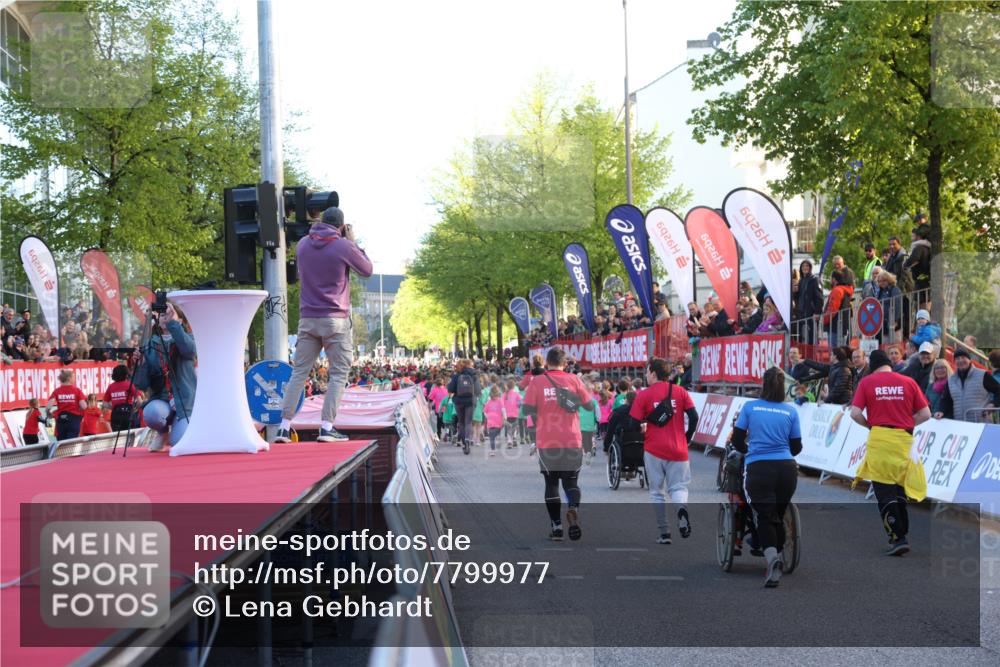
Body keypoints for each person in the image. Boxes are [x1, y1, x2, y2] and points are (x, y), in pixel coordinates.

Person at [274, 207, 374, 443]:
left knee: (299, 372)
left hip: (308, 318)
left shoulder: (302, 245)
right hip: (335, 320)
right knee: (338, 373)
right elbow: (367, 270)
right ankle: (327, 427)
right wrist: (353, 241)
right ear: (341, 226)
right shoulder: (343, 246)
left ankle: (283, 427)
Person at [850, 349, 931, 555]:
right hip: (904, 440)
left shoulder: (867, 382)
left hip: (880, 439)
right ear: (889, 363)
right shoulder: (908, 382)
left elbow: (855, 413)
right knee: (899, 488)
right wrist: (905, 424)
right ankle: (903, 531)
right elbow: (926, 414)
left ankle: (897, 537)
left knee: (884, 492)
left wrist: (870, 425)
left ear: (872, 365)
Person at [730, 367, 802, 587]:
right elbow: (796, 447)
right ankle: (778, 554)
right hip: (787, 469)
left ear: (763, 384)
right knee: (777, 514)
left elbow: (737, 440)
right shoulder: (790, 411)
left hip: (759, 467)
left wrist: (751, 449)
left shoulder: (750, 407)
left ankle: (772, 559)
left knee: (765, 515)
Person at [522, 347, 594, 542]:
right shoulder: (575, 380)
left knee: (551, 483)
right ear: (565, 363)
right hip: (572, 439)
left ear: (547, 363)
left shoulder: (537, 381)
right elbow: (590, 406)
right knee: (571, 482)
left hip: (547, 440)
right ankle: (573, 508)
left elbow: (526, 409)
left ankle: (557, 526)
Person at [629, 357, 700, 545]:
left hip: (654, 448)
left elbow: (632, 424)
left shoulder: (643, 395)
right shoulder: (680, 391)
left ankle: (665, 532)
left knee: (656, 492)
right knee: (679, 487)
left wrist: (643, 427)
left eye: (646, 372)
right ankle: (681, 509)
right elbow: (694, 417)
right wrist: (687, 437)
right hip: (679, 448)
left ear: (653, 373)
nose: (645, 375)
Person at [134, 302, 197, 451]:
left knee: (179, 442)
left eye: (169, 314)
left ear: (180, 320)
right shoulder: (150, 344)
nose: (165, 318)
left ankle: (175, 432)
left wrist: (173, 325)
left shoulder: (189, 338)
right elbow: (142, 384)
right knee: (151, 414)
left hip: (185, 403)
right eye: (162, 315)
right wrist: (140, 364)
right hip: (162, 400)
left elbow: (189, 351)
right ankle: (162, 433)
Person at [947, 348, 1000, 423]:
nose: (960, 360)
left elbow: (998, 390)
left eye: (963, 357)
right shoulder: (951, 379)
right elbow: (946, 399)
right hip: (960, 425)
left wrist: (993, 404)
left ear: (969, 359)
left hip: (980, 425)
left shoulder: (983, 375)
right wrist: (940, 411)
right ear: (954, 361)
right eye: (957, 358)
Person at [45, 369, 87, 441]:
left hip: (61, 420)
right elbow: (84, 406)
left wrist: (48, 413)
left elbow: (48, 406)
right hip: (73, 419)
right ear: (69, 378)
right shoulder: (77, 390)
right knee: (70, 444)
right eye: (74, 377)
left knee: (61, 444)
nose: (75, 379)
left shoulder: (57, 391)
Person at [447, 359, 480, 448]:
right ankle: (468, 439)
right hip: (470, 401)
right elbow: (478, 390)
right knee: (468, 421)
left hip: (459, 401)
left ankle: (462, 440)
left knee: (461, 422)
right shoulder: (474, 375)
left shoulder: (456, 376)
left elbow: (450, 389)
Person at [884, 236, 913, 338]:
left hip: (904, 291)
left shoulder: (903, 256)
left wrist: (898, 290)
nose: (891, 246)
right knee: (898, 315)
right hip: (895, 292)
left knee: (905, 314)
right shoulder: (892, 257)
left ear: (899, 244)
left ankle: (906, 337)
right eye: (890, 244)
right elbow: (887, 273)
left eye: (894, 244)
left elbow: (904, 275)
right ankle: (900, 337)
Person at [103, 364, 141, 432]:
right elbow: (139, 401)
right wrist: (136, 408)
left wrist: (114, 407)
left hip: (116, 415)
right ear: (126, 375)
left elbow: (104, 404)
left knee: (118, 436)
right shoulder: (129, 385)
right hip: (128, 414)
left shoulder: (111, 387)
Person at [904, 220, 932, 310]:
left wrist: (905, 264)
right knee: (924, 307)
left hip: (922, 282)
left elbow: (913, 260)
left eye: (913, 235)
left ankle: (925, 323)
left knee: (923, 309)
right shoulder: (926, 247)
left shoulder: (919, 248)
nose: (911, 237)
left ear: (918, 236)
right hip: (924, 281)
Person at [822, 270, 853, 348]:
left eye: (830, 278)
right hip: (842, 325)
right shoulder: (845, 290)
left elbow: (832, 309)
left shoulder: (837, 290)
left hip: (835, 327)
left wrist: (824, 320)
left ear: (834, 279)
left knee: (835, 352)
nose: (830, 280)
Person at [873, 271, 903, 342]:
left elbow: (897, 305)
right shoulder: (879, 292)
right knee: (885, 345)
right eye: (879, 281)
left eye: (884, 280)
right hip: (883, 324)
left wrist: (895, 320)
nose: (882, 283)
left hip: (893, 323)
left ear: (889, 279)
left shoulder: (894, 289)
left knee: (895, 344)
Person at [482, 385, 506, 457]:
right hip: (499, 422)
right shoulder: (500, 401)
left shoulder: (488, 402)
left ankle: (493, 450)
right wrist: (505, 417)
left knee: (491, 437)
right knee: (496, 433)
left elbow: (485, 412)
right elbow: (503, 410)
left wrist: (488, 417)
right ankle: (499, 439)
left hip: (491, 422)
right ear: (498, 393)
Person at [578, 386, 600, 463]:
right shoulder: (594, 401)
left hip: (581, 424)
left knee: (584, 439)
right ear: (591, 392)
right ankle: (589, 451)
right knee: (590, 438)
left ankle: (586, 451)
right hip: (591, 424)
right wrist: (598, 419)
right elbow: (597, 411)